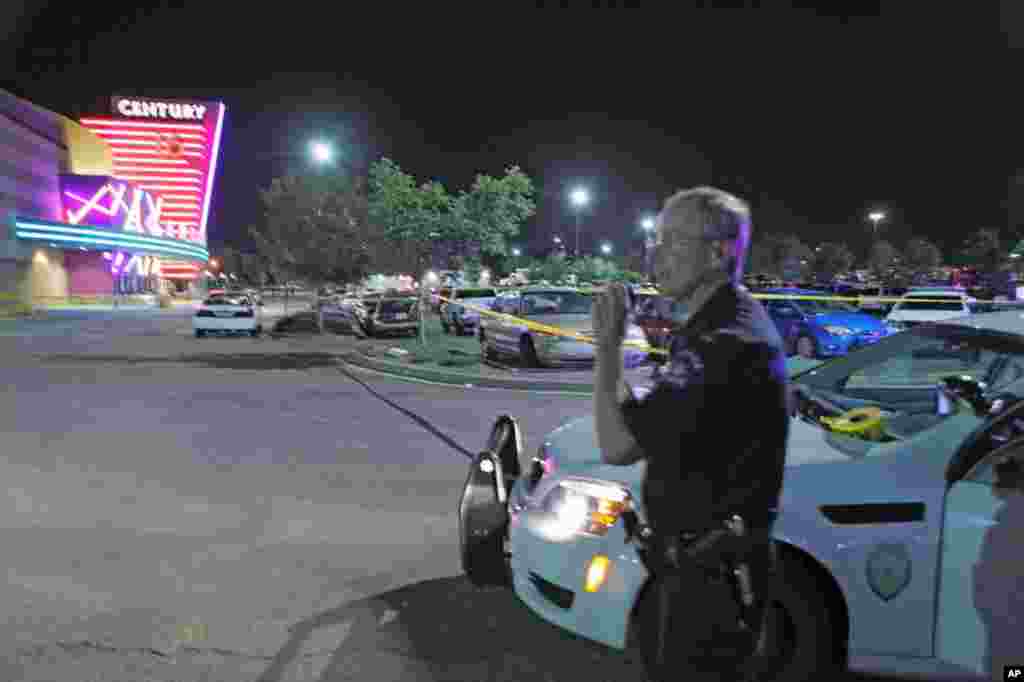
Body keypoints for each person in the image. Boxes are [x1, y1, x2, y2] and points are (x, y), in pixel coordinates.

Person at [592, 186, 789, 681]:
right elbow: (651, 427)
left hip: (711, 585)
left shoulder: (724, 343)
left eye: (673, 241)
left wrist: (608, 348)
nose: (655, 254)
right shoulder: (708, 327)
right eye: (656, 241)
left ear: (719, 253)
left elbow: (617, 445)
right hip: (691, 569)